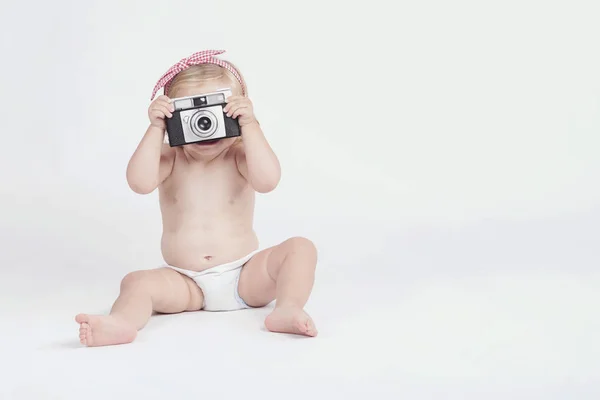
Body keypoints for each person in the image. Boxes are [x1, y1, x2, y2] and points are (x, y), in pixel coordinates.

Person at [75, 50, 318, 347]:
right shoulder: (170, 157)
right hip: (186, 282)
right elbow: (139, 183)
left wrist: (251, 126)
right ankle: (122, 323)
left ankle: (288, 307)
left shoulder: (240, 154)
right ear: (172, 115)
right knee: (136, 282)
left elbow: (268, 181)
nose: (205, 124)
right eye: (192, 113)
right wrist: (155, 129)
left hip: (245, 275)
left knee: (301, 248)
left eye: (218, 109)